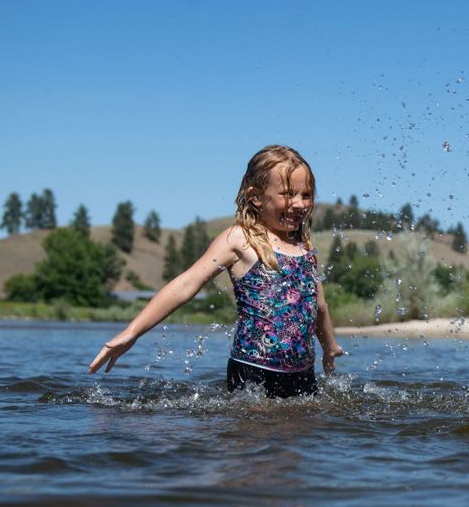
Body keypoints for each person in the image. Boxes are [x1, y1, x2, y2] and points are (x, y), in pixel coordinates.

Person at [89, 145, 344, 397]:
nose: (299, 204)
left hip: (303, 373)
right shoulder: (240, 239)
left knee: (302, 434)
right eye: (288, 194)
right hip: (254, 371)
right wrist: (131, 332)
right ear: (256, 196)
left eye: (306, 195)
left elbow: (317, 303)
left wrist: (329, 346)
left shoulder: (303, 247)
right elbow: (186, 284)